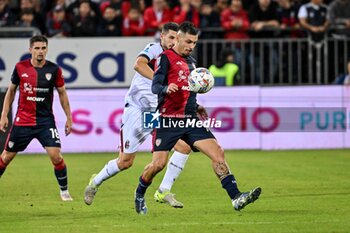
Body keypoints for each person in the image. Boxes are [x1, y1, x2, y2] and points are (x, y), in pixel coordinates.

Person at [134, 21, 261, 215]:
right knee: (158, 165)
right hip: (168, 119)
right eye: (188, 42)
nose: (191, 46)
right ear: (177, 38)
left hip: (190, 119)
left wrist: (197, 106)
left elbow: (189, 91)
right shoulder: (165, 58)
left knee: (218, 152)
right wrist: (166, 88)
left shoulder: (192, 62)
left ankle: (236, 197)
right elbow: (155, 87)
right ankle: (140, 193)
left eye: (194, 43)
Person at [84, 22, 192, 208]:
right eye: (171, 37)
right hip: (137, 109)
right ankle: (95, 182)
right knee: (125, 162)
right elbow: (138, 64)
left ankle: (163, 190)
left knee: (183, 147)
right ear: (162, 36)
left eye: (177, 38)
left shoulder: (179, 60)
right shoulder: (154, 49)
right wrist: (160, 79)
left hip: (158, 114)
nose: (174, 42)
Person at [0, 35, 73, 201]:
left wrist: (69, 118)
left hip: (45, 121)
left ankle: (64, 191)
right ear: (30, 50)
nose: (40, 51)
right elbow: (11, 91)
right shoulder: (20, 67)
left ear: (47, 49)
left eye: (43, 48)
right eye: (37, 48)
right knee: (6, 157)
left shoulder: (54, 70)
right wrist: (4, 115)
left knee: (56, 155)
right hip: (23, 121)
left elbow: (62, 93)